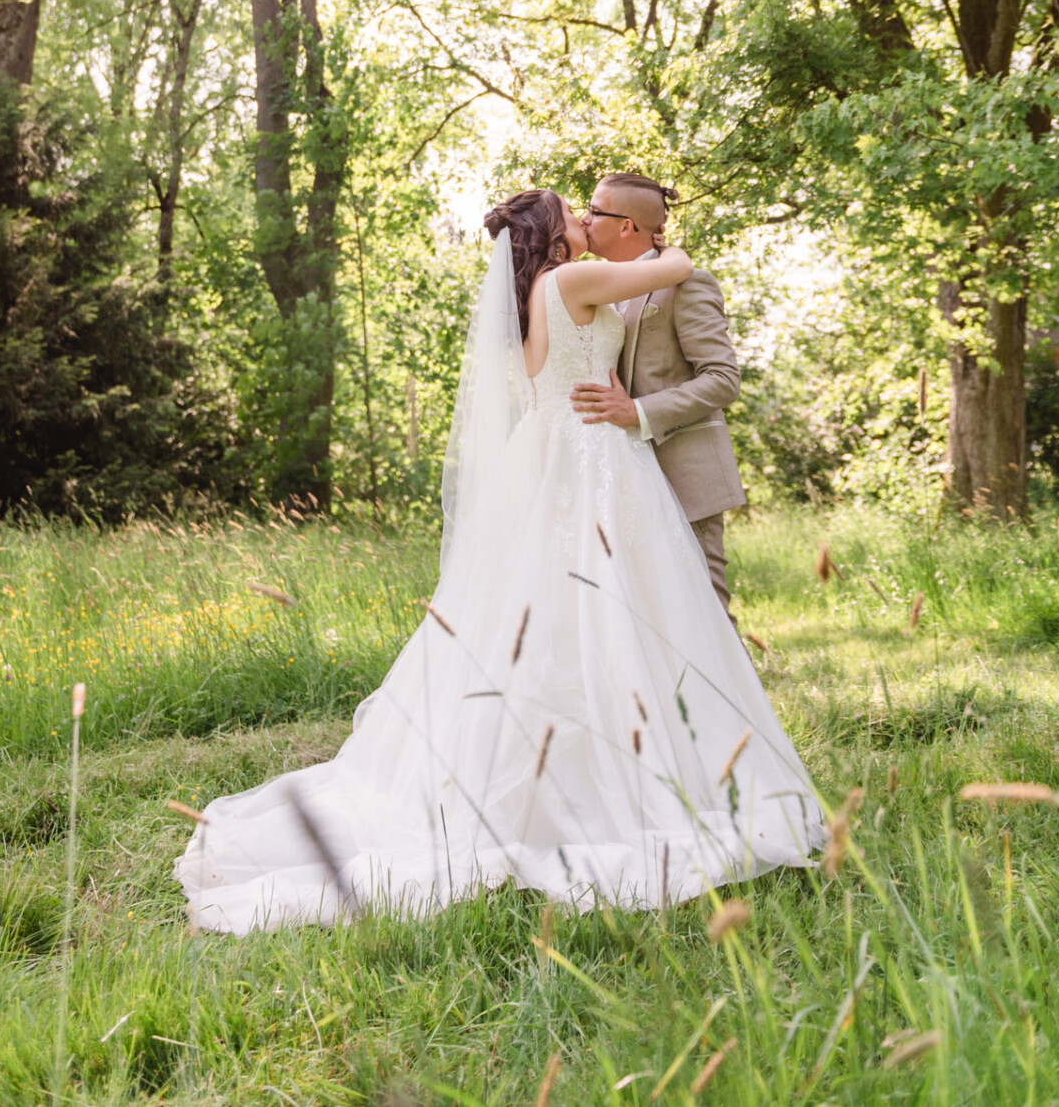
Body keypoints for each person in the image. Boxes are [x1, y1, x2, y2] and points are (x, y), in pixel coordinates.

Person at [174, 190, 822, 933]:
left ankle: (606, 774)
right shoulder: (571, 282)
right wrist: (653, 240)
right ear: (554, 236)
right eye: (575, 213)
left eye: (595, 209)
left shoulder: (533, 300)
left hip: (565, 460)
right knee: (611, 617)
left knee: (573, 622)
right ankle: (627, 786)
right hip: (592, 460)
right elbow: (673, 263)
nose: (585, 217)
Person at [570, 172, 746, 618]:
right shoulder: (597, 289)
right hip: (622, 482)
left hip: (684, 477)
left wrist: (637, 411)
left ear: (627, 225)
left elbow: (723, 377)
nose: (585, 219)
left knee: (706, 617)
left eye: (593, 210)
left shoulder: (688, 283)